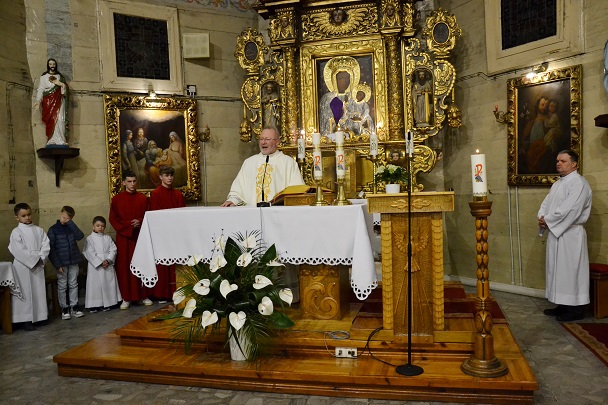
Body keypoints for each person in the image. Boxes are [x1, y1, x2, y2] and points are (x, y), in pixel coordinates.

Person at [538, 150, 592, 322]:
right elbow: (546, 204)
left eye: (563, 161)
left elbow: (571, 209)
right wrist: (542, 218)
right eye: (557, 161)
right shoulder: (557, 184)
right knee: (557, 270)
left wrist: (548, 220)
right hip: (557, 231)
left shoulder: (579, 183)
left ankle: (575, 309)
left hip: (571, 234)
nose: (558, 163)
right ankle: (562, 304)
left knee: (570, 271)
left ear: (574, 164)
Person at [221, 126, 304, 207]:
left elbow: (296, 190)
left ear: (277, 142)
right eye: (261, 139)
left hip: (277, 212)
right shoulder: (249, 162)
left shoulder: (288, 163)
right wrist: (233, 200)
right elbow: (238, 189)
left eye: (267, 139)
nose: (263, 142)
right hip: (252, 211)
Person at [109, 170, 150, 309]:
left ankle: (143, 295)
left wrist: (140, 221)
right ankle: (126, 298)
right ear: (124, 183)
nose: (132, 184)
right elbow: (113, 219)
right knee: (124, 267)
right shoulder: (116, 199)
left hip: (139, 236)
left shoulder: (143, 198)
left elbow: (148, 216)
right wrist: (129, 226)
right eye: (129, 181)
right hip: (124, 238)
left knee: (142, 264)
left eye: (134, 181)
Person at [9, 203, 51, 331]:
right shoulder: (16, 232)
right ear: (17, 217)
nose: (27, 217)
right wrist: (33, 260)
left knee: (38, 290)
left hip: (38, 263)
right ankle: (25, 319)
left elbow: (46, 245)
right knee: (25, 291)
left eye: (28, 214)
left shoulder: (39, 230)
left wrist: (41, 258)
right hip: (23, 265)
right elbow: (17, 249)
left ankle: (39, 317)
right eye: (23, 216)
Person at [149, 165, 185, 302]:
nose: (169, 178)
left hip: (176, 234)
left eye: (171, 175)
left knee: (176, 263)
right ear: (160, 177)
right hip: (162, 234)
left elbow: (183, 214)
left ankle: (177, 292)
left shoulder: (178, 194)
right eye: (166, 175)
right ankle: (163, 294)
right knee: (163, 265)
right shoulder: (156, 194)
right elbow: (155, 215)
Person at [47, 206, 85, 320]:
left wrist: (71, 224)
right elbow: (51, 249)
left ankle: (74, 306)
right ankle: (64, 308)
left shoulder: (71, 227)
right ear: (60, 214)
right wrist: (57, 265)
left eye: (68, 218)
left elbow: (80, 236)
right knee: (62, 285)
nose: (65, 219)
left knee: (73, 284)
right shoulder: (53, 229)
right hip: (62, 263)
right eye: (64, 217)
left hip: (73, 260)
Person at [83, 216, 122, 312]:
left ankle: (108, 303)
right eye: (98, 225)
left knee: (108, 284)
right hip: (95, 266)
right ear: (93, 226)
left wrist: (108, 260)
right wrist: (99, 262)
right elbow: (88, 252)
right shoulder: (89, 239)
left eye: (102, 226)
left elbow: (113, 249)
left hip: (107, 264)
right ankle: (94, 305)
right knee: (96, 286)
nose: (100, 228)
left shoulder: (107, 238)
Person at [34, 58, 68, 146]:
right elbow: (40, 89)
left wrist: (60, 84)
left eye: (53, 64)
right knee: (51, 120)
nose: (52, 66)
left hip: (59, 100)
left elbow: (65, 90)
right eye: (50, 64)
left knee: (60, 120)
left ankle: (61, 139)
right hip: (48, 101)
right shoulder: (43, 77)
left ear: (56, 65)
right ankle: (51, 139)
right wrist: (38, 100)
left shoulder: (60, 77)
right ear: (48, 65)